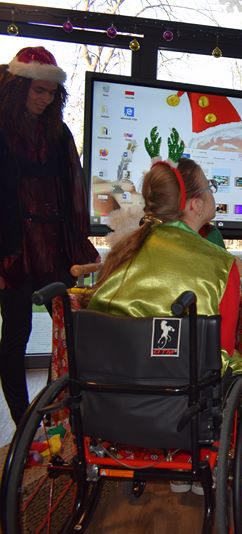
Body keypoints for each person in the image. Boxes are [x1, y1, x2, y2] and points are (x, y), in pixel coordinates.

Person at [88, 158, 242, 382]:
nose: (212, 192)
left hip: (111, 383)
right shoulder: (223, 265)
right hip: (185, 388)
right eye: (209, 187)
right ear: (195, 205)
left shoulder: (124, 252)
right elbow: (222, 350)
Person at [0, 47, 98, 425]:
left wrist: (78, 246)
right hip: (12, 248)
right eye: (37, 90)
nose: (44, 99)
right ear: (18, 87)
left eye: (51, 92)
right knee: (16, 334)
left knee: (68, 333)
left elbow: (72, 194)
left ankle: (63, 417)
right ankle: (23, 422)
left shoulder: (58, 134)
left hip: (53, 247)